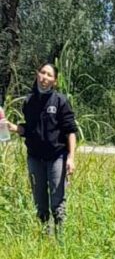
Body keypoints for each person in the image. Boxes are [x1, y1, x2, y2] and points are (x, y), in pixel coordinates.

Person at [7, 62, 78, 229]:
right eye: (42, 73)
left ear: (55, 80)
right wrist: (14, 128)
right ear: (37, 74)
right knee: (40, 202)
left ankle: (61, 240)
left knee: (57, 201)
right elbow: (29, 130)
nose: (44, 78)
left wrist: (71, 158)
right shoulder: (29, 101)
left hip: (57, 157)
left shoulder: (60, 101)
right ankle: (44, 236)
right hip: (35, 157)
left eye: (49, 75)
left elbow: (71, 132)